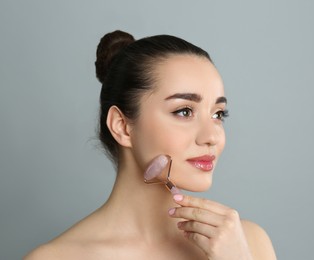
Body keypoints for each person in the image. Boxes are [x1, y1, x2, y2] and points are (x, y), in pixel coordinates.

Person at [25, 30, 276, 259]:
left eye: (218, 114)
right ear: (122, 126)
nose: (213, 136)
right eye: (184, 111)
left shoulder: (248, 242)